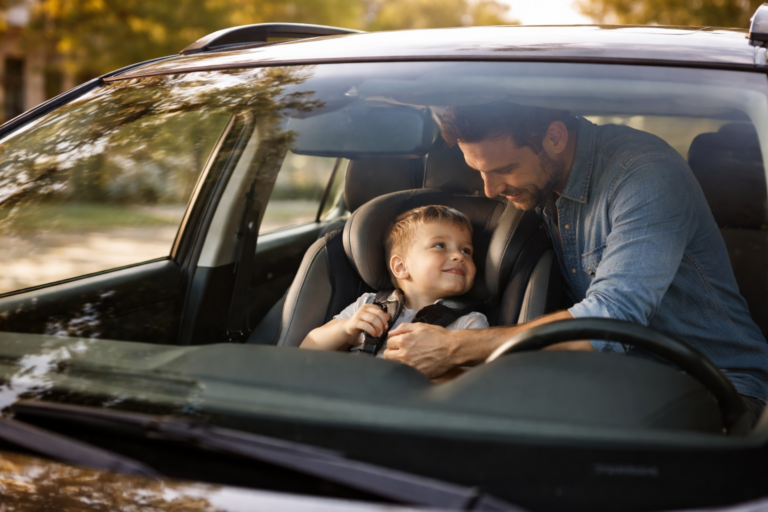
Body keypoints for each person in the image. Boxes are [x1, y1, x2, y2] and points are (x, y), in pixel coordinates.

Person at [382, 102, 768, 422]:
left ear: (554, 137)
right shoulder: (542, 184)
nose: (490, 190)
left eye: (503, 170)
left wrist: (454, 347)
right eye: (478, 171)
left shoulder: (646, 175)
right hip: (613, 380)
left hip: (717, 385)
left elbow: (612, 317)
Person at [300, 205, 488, 363]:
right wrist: (347, 328)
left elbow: (472, 384)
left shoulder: (469, 323)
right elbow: (306, 349)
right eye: (440, 245)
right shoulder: (370, 305)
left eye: (466, 250)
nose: (459, 256)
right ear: (400, 267)